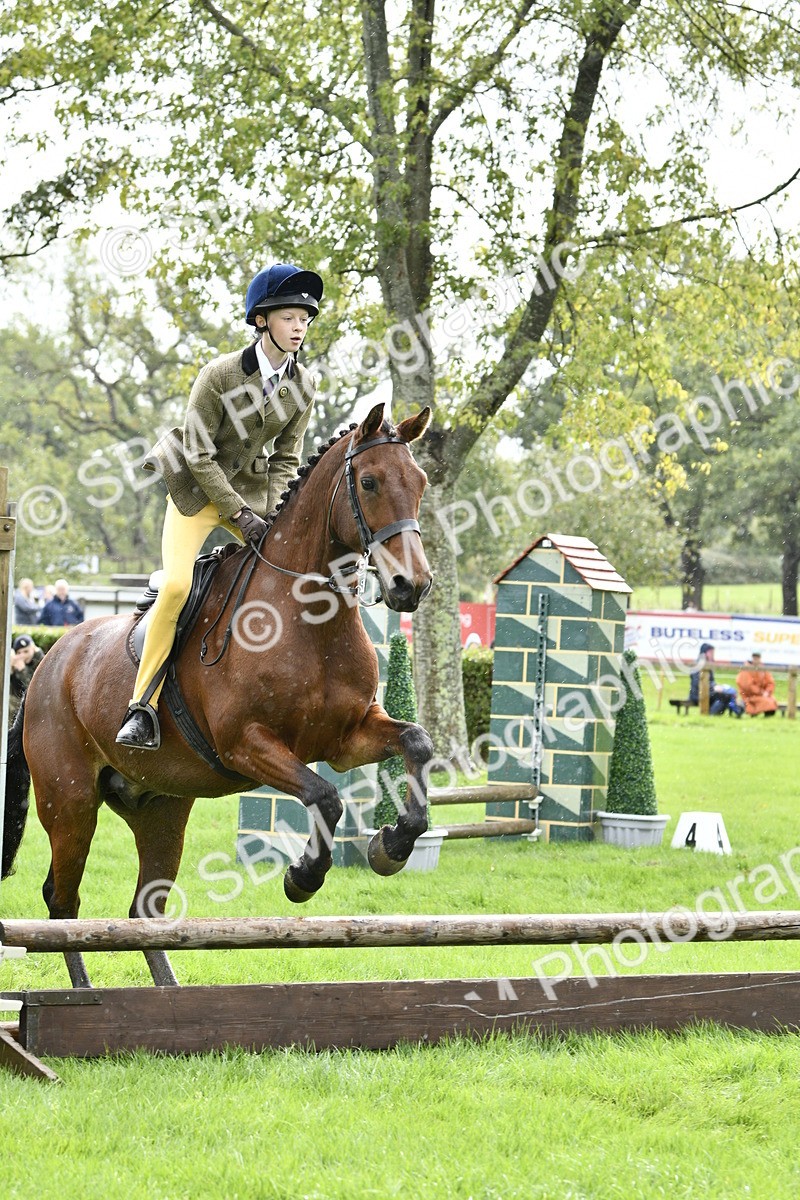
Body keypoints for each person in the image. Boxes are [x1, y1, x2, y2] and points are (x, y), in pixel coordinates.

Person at [116, 262, 323, 750]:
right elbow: (198, 454)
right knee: (175, 587)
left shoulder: (304, 384)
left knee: (289, 578)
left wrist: (273, 514)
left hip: (253, 498)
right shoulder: (219, 375)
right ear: (261, 320)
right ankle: (141, 707)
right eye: (291, 318)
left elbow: (287, 458)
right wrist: (241, 515)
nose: (300, 328)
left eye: (306, 321)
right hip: (197, 493)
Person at [688, 643, 743, 716]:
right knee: (725, 696)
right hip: (697, 694)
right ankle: (711, 715)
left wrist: (717, 687)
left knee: (728, 693)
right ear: (705, 653)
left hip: (707, 692)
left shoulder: (707, 664)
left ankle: (736, 710)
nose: (713, 655)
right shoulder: (698, 665)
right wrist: (713, 687)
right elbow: (697, 683)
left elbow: (711, 681)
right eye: (711, 652)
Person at [8, 633, 45, 723]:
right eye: (19, 653)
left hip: (35, 705)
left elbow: (35, 691)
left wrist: (22, 671)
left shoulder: (42, 661)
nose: (22, 655)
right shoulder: (16, 662)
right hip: (18, 701)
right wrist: (11, 670)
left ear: (33, 648)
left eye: (26, 651)